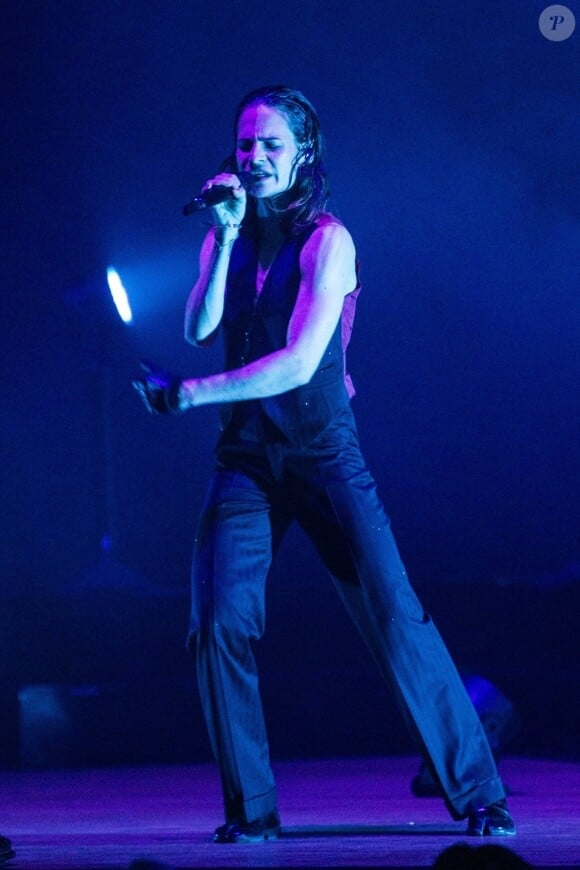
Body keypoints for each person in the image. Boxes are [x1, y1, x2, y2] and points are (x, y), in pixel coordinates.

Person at [133, 85, 516, 844]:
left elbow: (300, 362)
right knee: (215, 622)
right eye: (246, 145)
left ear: (304, 152)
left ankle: (479, 792)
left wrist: (189, 395)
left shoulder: (328, 240)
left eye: (272, 145)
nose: (256, 158)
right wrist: (224, 237)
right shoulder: (230, 231)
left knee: (393, 613)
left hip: (320, 451)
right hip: (246, 458)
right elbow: (202, 324)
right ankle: (252, 812)